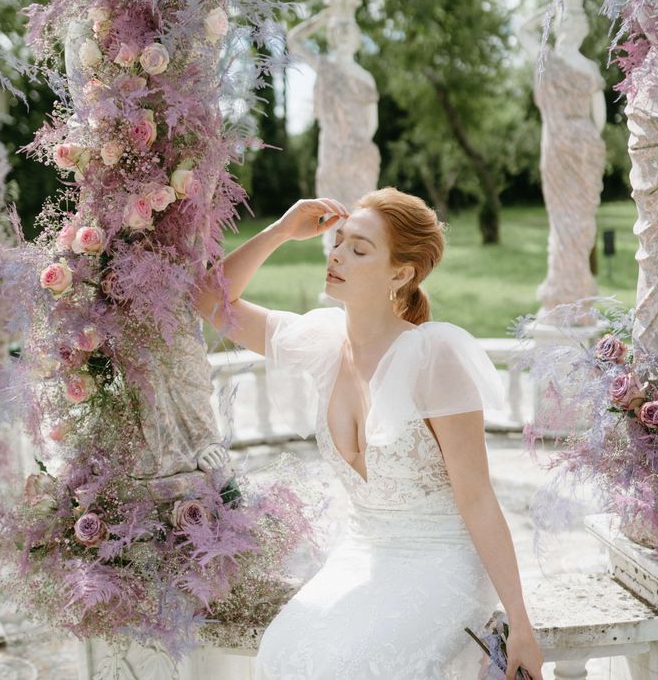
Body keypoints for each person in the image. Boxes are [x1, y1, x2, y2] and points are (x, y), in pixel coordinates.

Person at [194, 188, 543, 679]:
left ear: (400, 274)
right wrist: (281, 230)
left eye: (359, 250)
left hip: (443, 561)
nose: (337, 255)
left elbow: (479, 497)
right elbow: (208, 298)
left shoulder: (433, 358)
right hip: (364, 552)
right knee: (281, 653)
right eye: (338, 242)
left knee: (354, 666)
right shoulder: (322, 344)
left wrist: (522, 624)